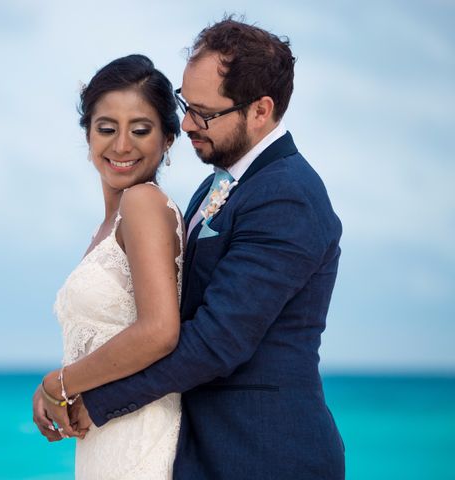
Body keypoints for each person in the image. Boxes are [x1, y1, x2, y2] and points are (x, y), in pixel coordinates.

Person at [39, 16, 346, 479]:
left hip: (264, 453)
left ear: (260, 111)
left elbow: (216, 342)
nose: (185, 123)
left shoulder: (288, 195)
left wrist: (88, 396)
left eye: (204, 112)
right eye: (186, 104)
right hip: (198, 450)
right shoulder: (212, 189)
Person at [32, 54, 184, 478]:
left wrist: (60, 383)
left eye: (140, 130)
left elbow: (159, 331)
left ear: (168, 138)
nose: (121, 145)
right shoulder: (110, 223)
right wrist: (58, 390)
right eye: (106, 129)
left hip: (138, 439)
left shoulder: (143, 203)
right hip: (108, 435)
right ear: (87, 135)